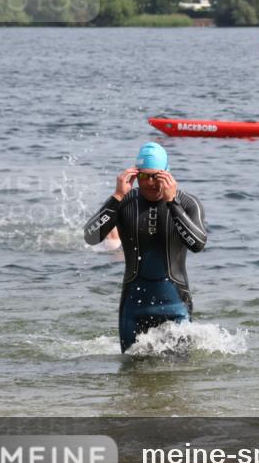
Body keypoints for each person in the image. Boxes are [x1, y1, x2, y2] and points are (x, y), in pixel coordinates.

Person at [84, 142, 207, 352]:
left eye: (156, 176)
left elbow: (197, 244)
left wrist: (172, 203)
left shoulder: (187, 203)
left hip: (176, 305)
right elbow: (91, 237)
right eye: (143, 176)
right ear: (135, 175)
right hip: (133, 309)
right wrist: (116, 197)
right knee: (132, 378)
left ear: (167, 174)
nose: (150, 183)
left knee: (177, 377)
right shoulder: (123, 201)